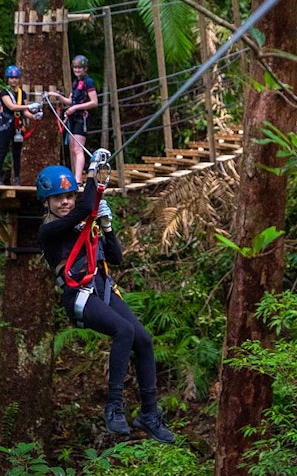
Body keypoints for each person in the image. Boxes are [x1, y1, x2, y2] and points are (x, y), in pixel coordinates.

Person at [36, 163, 175, 443]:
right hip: (79, 296)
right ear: (47, 202)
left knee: (144, 339)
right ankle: (114, 406)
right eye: (58, 198)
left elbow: (116, 258)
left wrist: (107, 226)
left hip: (103, 288)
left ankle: (149, 413)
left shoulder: (84, 222)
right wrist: (93, 173)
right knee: (124, 331)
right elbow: (86, 206)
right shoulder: (49, 231)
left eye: (69, 197)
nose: (65, 202)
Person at [46, 55, 99, 177]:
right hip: (74, 118)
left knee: (78, 148)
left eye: (80, 68)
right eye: (75, 67)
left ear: (85, 68)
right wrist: (58, 97)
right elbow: (71, 101)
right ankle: (76, 175)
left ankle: (78, 178)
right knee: (73, 149)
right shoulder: (76, 82)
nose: (77, 70)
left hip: (82, 118)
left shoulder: (88, 82)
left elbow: (94, 102)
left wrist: (75, 108)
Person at [0, 65, 39, 186]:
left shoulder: (21, 93)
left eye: (16, 78)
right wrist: (29, 106)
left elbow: (24, 112)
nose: (14, 80)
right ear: (8, 79)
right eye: (11, 78)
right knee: (2, 150)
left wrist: (34, 116)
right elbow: (12, 107)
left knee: (17, 153)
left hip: (18, 126)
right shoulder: (4, 92)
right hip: (6, 124)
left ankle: (17, 179)